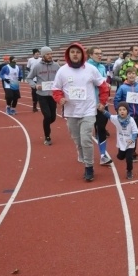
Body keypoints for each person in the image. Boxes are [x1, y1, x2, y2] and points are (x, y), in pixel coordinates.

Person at [52, 43, 110, 182]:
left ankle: (89, 168)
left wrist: (102, 102)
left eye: (77, 52)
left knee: (86, 140)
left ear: (82, 54)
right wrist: (59, 99)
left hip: (88, 110)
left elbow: (103, 86)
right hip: (71, 112)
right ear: (68, 54)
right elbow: (56, 89)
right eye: (72, 52)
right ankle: (82, 153)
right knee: (77, 141)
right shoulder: (62, 71)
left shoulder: (91, 69)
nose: (75, 54)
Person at [27, 46, 60, 145]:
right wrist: (35, 86)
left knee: (53, 117)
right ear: (43, 55)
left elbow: (62, 77)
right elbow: (29, 78)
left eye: (51, 54)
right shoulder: (37, 66)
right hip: (42, 95)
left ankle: (46, 125)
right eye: (47, 54)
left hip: (52, 95)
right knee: (47, 115)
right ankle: (47, 137)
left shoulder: (56, 66)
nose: (50, 56)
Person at [113, 69, 138, 164]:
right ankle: (123, 149)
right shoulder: (122, 88)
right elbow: (117, 100)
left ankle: (132, 152)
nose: (131, 75)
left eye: (133, 73)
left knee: (135, 134)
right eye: (129, 74)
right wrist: (118, 110)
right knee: (125, 134)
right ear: (126, 76)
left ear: (136, 75)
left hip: (137, 115)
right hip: (127, 117)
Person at [86, 47, 112, 166]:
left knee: (101, 128)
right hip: (89, 104)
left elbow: (103, 83)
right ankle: (82, 152)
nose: (100, 56)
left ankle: (102, 155)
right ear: (90, 55)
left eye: (101, 53)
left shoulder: (102, 67)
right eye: (97, 54)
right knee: (85, 131)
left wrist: (107, 87)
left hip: (102, 103)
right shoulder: (85, 67)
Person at [106, 101, 138, 180]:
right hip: (121, 142)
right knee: (120, 157)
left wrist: (132, 139)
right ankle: (121, 155)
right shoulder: (116, 119)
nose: (122, 111)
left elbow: (135, 131)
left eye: (124, 109)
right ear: (117, 111)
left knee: (129, 158)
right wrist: (102, 110)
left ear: (127, 111)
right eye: (120, 110)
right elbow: (108, 115)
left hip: (130, 143)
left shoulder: (131, 120)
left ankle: (129, 171)